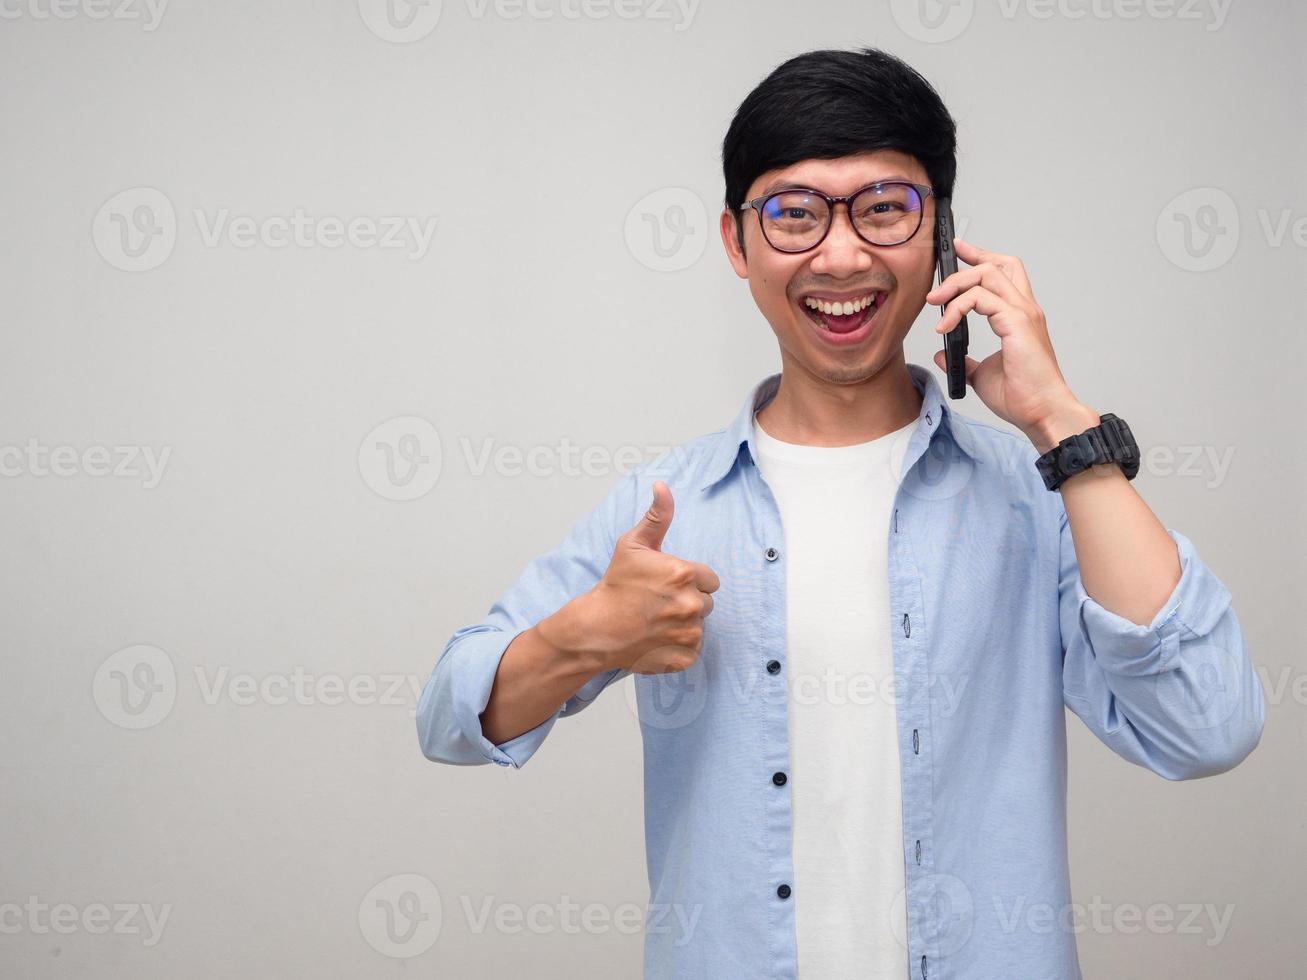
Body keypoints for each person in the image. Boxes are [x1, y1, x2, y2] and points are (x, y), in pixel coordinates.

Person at [416, 46, 1264, 979]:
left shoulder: (1036, 494)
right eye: (794, 214)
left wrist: (1061, 421)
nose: (842, 254)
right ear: (736, 244)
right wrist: (582, 637)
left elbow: (1206, 724)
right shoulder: (669, 507)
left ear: (940, 235)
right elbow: (450, 718)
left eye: (883, 208)